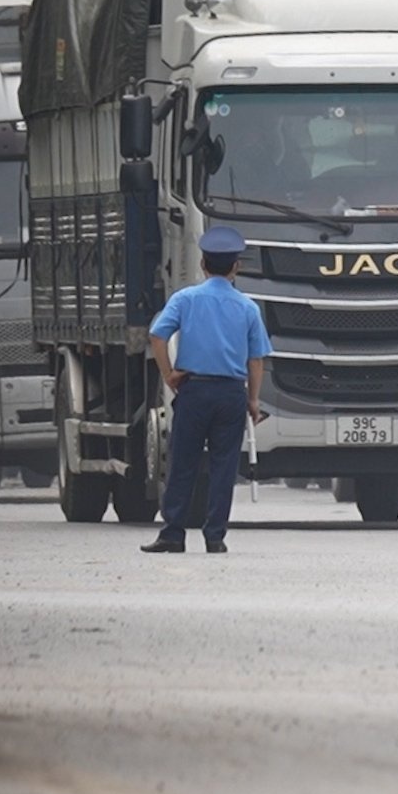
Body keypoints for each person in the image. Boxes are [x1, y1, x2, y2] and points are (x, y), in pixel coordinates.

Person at [141, 226, 273, 555]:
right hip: (231, 394)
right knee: (224, 466)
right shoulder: (248, 308)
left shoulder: (185, 299)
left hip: (194, 391)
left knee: (183, 462)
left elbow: (157, 336)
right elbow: (256, 360)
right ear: (236, 267)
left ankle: (173, 533)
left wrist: (169, 375)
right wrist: (253, 400)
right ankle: (215, 536)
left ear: (203, 264)